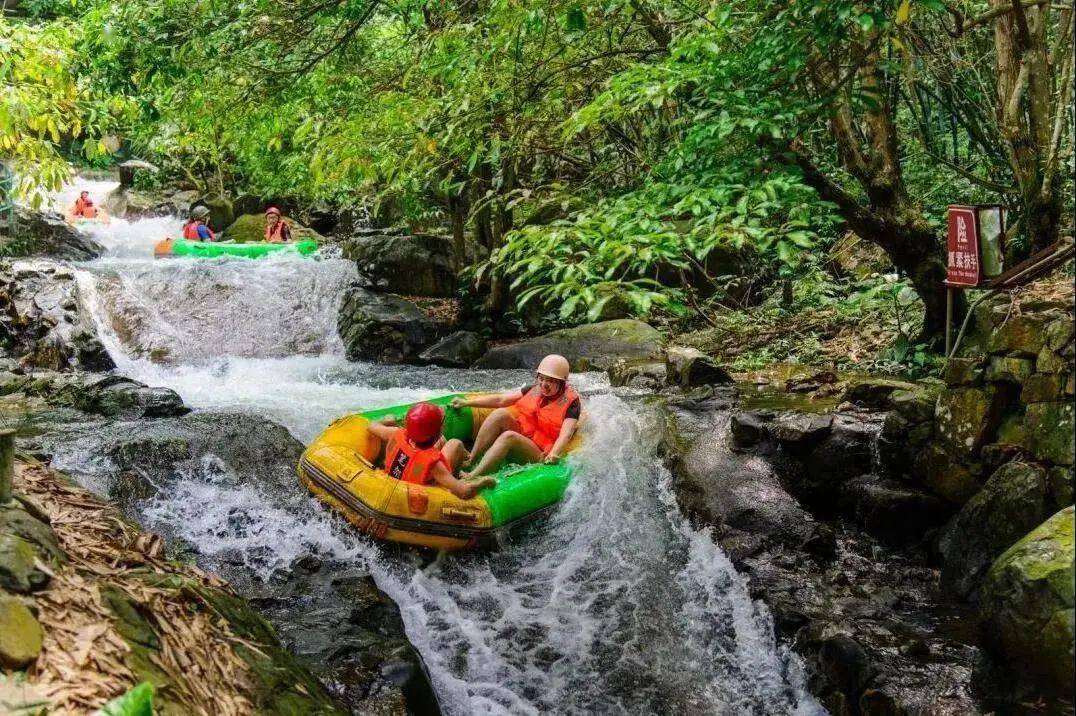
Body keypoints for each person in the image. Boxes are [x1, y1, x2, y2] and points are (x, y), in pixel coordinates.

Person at [453, 354, 581, 478]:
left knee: (509, 436)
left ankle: (473, 476)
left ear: (562, 382)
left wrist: (554, 454)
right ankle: (472, 459)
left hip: (540, 451)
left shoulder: (572, 403)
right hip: (526, 434)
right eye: (541, 378)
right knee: (500, 414)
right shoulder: (534, 388)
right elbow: (501, 400)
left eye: (551, 381)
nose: (544, 385)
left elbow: (566, 434)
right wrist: (466, 403)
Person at [366, 402, 496, 500]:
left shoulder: (395, 433)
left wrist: (386, 420)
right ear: (436, 432)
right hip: (421, 494)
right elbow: (463, 492)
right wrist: (483, 482)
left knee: (446, 442)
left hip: (391, 483)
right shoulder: (434, 465)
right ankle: (462, 469)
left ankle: (463, 463)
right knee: (455, 444)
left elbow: (371, 425)